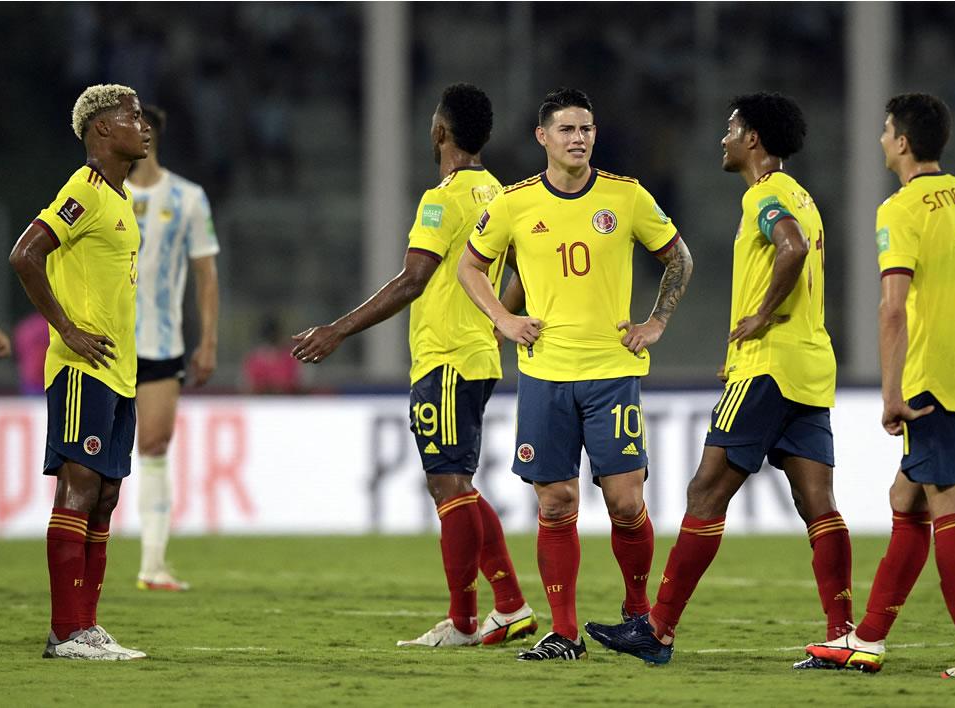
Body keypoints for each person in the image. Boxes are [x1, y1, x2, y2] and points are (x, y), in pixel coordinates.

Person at [584, 92, 852, 666]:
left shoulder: (765, 194)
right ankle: (843, 632)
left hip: (768, 367)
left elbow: (791, 249)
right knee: (819, 503)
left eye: (731, 129)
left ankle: (657, 630)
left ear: (753, 138)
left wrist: (760, 316)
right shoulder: (802, 195)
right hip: (809, 365)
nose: (723, 139)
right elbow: (799, 245)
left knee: (705, 492)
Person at [292, 83, 536, 648]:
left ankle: (466, 620)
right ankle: (509, 606)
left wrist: (337, 330)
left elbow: (413, 279)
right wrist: (498, 320)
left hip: (446, 357)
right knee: (458, 483)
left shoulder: (442, 200)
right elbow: (524, 269)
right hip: (476, 356)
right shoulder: (499, 194)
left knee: (448, 484)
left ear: (440, 131)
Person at [458, 87, 694, 662]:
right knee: (557, 503)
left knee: (625, 502)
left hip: (612, 372)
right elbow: (470, 266)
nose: (578, 138)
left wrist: (657, 321)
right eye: (566, 129)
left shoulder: (626, 196)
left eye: (586, 128)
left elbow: (679, 258)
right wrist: (504, 318)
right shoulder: (514, 203)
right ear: (543, 137)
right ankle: (564, 634)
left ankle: (637, 614)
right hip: (545, 376)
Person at [802, 93, 955, 679]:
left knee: (948, 506)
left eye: (885, 131)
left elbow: (892, 308)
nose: (881, 139)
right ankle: (869, 639)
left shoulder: (900, 209)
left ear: (902, 142)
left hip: (935, 382)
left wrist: (891, 393)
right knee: (907, 500)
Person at [9, 83, 152, 660]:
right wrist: (66, 329)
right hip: (81, 368)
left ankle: (85, 627)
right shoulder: (84, 189)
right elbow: (24, 254)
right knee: (80, 487)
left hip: (118, 371)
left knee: (106, 495)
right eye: (133, 117)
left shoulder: (121, 198)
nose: (144, 126)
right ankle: (65, 631)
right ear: (102, 129)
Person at [125, 103, 221, 592]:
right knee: (93, 460)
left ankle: (152, 564)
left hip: (161, 343)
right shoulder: (102, 194)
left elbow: (206, 274)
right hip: (106, 343)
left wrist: (208, 340)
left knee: (154, 446)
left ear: (151, 133)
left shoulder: (187, 197)